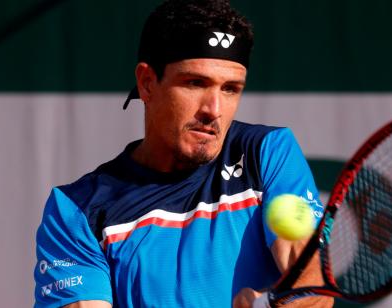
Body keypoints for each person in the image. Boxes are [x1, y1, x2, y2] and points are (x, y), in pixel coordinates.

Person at [34, 0, 333, 307]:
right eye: (195, 83)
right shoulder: (76, 210)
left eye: (230, 89)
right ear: (147, 83)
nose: (213, 110)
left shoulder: (267, 151)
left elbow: (311, 285)